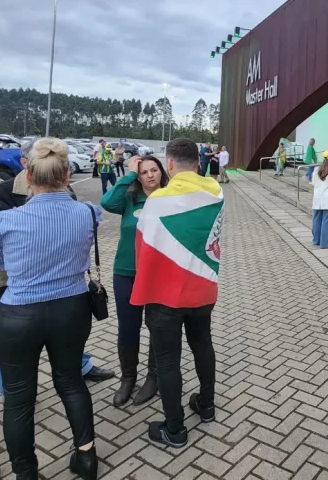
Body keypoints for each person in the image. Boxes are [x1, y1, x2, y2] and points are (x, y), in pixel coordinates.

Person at [0, 138, 100, 480]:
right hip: (71, 310)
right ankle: (86, 457)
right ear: (67, 175)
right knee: (71, 383)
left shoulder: (3, 222)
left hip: (18, 315)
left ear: (28, 176)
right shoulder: (89, 213)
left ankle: (26, 473)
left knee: (19, 399)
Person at [0, 141, 114, 391]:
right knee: (49, 382)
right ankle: (12, 388)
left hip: (52, 296)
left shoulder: (69, 198)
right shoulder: (2, 192)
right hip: (23, 291)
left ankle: (81, 365)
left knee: (40, 385)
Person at [132, 139, 223, 447]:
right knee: (203, 345)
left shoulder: (157, 201)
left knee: (168, 360)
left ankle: (175, 429)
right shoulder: (215, 193)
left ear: (168, 164)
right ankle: (207, 406)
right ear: (197, 163)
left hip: (164, 294)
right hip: (202, 288)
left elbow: (142, 246)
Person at [101, 155, 168, 408]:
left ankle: (153, 377)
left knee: (156, 326)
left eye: (154, 170)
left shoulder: (171, 199)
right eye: (143, 172)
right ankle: (128, 378)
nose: (150, 175)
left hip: (160, 275)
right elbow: (107, 201)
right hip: (127, 272)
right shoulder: (129, 199)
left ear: (162, 172)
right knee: (128, 328)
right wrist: (128, 174)